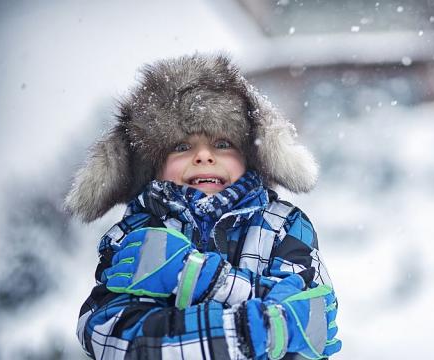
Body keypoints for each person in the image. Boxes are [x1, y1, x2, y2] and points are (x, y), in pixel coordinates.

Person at [65, 54, 342, 360]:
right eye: (182, 147)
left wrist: (196, 276)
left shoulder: (284, 226)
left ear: (251, 155)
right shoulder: (136, 234)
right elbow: (112, 338)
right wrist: (256, 331)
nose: (204, 157)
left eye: (223, 144)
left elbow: (314, 318)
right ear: (153, 166)